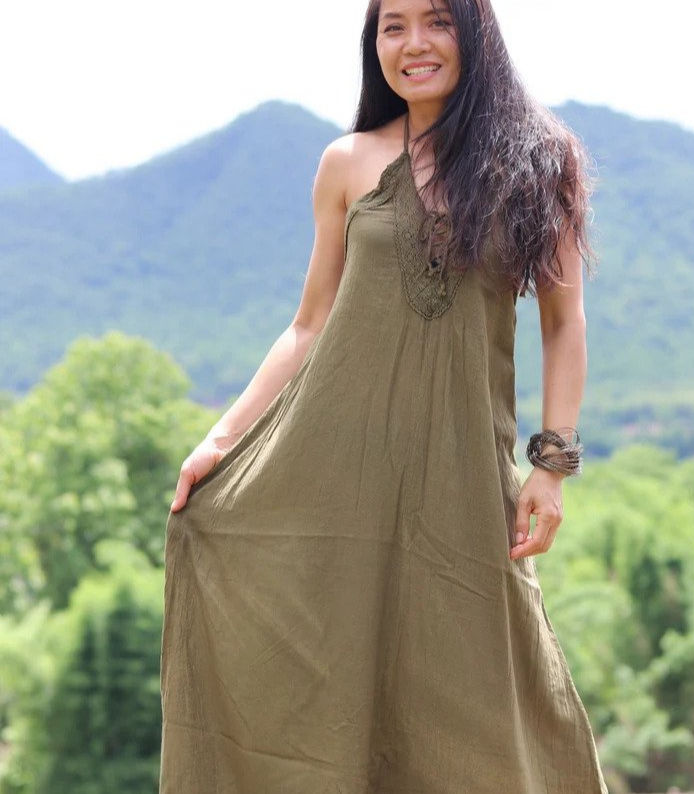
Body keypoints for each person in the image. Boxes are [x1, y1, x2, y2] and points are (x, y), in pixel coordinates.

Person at [159, 0, 607, 791]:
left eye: (436, 20)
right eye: (392, 26)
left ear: (475, 31)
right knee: (332, 684)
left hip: (463, 479)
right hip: (336, 475)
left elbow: (564, 322)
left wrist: (552, 466)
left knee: (485, 693)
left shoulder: (541, 160)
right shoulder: (347, 161)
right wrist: (221, 440)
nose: (413, 43)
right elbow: (308, 325)